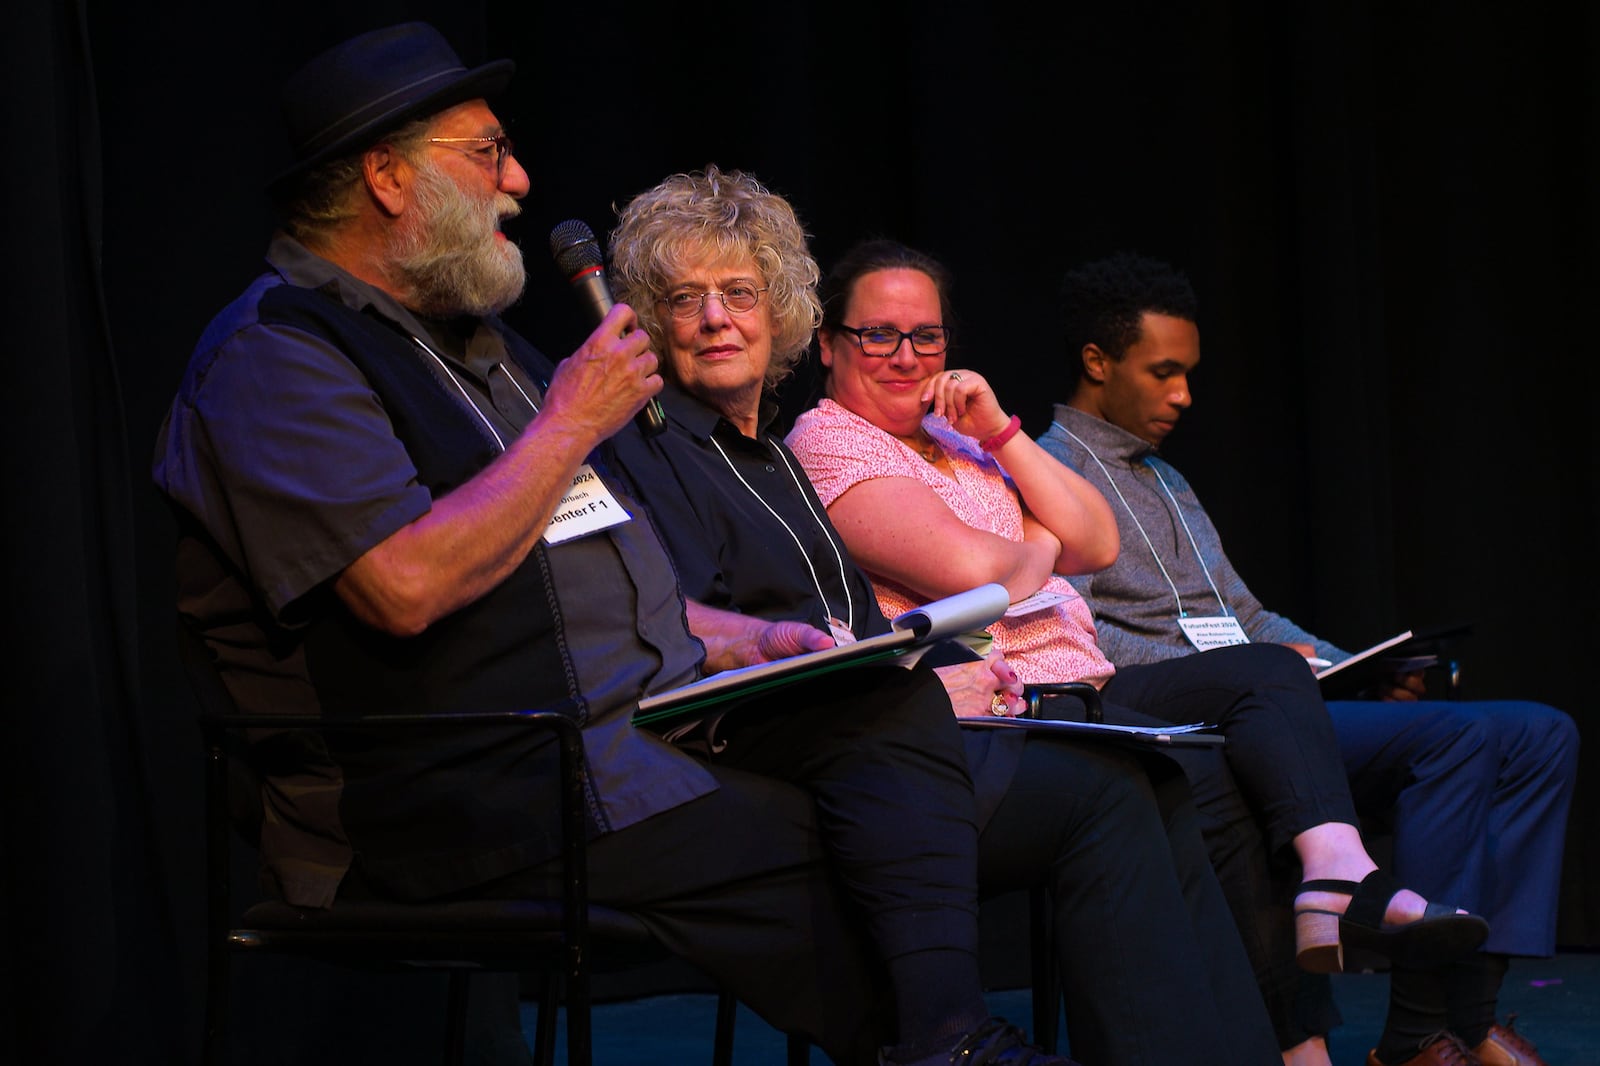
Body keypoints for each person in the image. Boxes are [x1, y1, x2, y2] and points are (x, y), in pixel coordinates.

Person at [150, 23, 1086, 1066]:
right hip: (450, 791)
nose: (517, 178)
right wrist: (566, 423)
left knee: (880, 699)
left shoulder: (479, 346)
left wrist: (733, 637)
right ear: (384, 178)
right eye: (485, 153)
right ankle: (947, 1045)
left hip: (601, 736)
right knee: (828, 853)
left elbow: (565, 564)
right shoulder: (279, 358)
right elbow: (402, 585)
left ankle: (947, 1041)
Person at [601, 164, 1282, 1066]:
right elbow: (673, 624)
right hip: (791, 749)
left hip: (887, 724)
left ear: (783, 313)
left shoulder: (766, 456)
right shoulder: (656, 446)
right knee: (1108, 796)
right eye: (686, 300)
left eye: (738, 292)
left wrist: (928, 661)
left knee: (1157, 780)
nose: (717, 318)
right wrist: (916, 657)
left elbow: (1071, 548)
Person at [784, 238, 1488, 1066]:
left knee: (1249, 714)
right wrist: (1035, 549)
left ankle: (1324, 922)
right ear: (829, 343)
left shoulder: (961, 439)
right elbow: (977, 573)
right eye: (879, 335)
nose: (906, 357)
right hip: (1004, 708)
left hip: (1085, 684)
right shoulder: (833, 442)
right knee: (1205, 768)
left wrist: (1004, 436)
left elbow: (1098, 540)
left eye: (926, 337)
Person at [1039, 250, 1579, 1066]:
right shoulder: (1045, 469)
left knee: (1542, 732)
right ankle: (1423, 1031)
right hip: (1189, 709)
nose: (1184, 394)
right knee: (1460, 742)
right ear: (1096, 362)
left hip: (1270, 697)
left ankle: (1462, 1014)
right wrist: (1255, 665)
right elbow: (1065, 631)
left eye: (1189, 373)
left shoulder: (1171, 479)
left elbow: (1243, 613)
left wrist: (1348, 662)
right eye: (1164, 373)